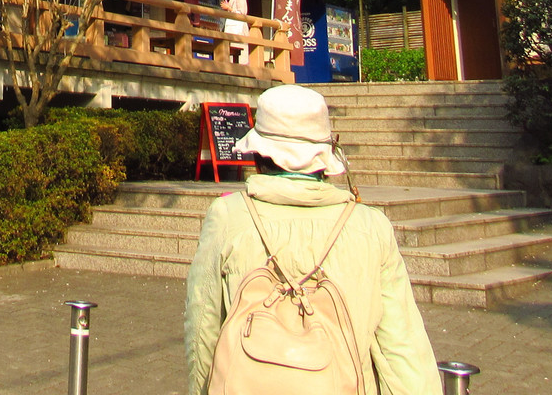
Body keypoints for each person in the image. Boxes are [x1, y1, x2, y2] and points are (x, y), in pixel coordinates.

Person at [185, 83, 439, 395]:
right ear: (327, 160)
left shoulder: (227, 217)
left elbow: (203, 331)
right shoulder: (372, 227)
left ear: (257, 155)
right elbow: (403, 350)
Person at [222, 0, 250, 64]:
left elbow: (242, 13)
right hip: (233, 28)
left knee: (240, 50)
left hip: (239, 29)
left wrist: (229, 8)